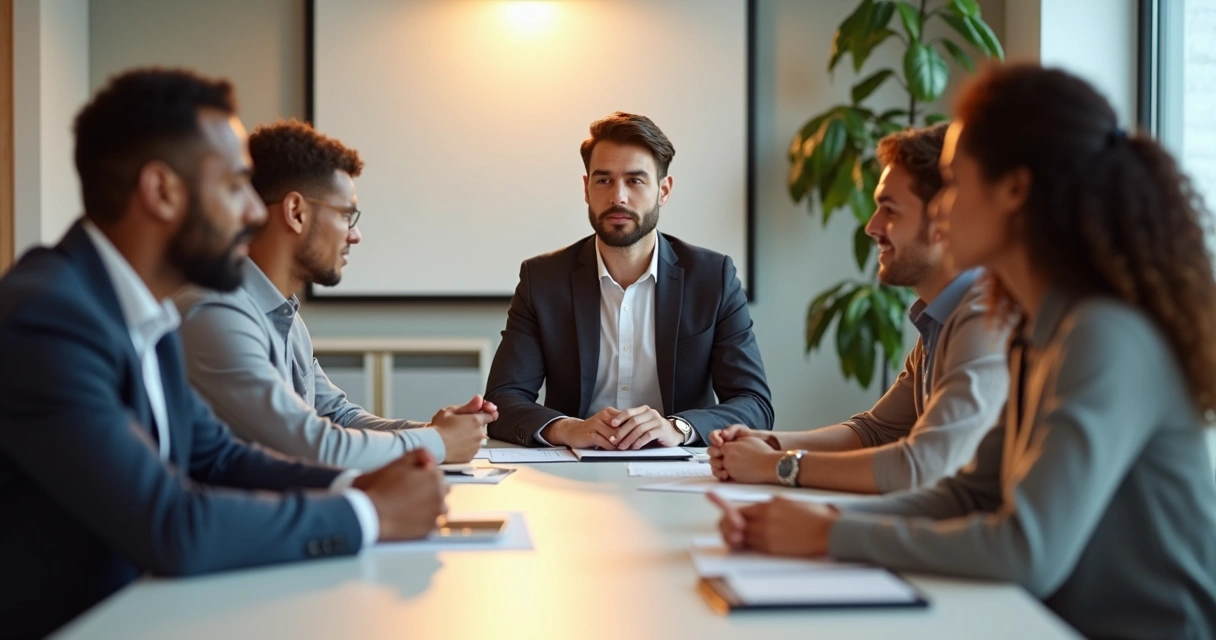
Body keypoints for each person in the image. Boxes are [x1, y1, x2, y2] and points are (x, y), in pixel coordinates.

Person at [711, 64, 1216, 639]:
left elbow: (1027, 548)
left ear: (1015, 190)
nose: (942, 212)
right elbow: (972, 492)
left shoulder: (1104, 335)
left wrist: (828, 535)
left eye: (952, 182)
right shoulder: (1035, 326)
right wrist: (819, 518)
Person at [0, 69, 448, 639]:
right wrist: (371, 515)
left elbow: (218, 457)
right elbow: (172, 522)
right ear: (162, 191)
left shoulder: (145, 312)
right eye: (236, 186)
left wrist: (357, 487)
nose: (255, 213)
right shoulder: (48, 319)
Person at [708, 124, 1012, 494]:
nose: (872, 227)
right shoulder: (942, 317)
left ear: (942, 219)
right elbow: (875, 431)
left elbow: (923, 467)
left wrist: (777, 465)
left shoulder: (984, 317)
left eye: (890, 210)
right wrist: (767, 442)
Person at [175, 120, 494, 469]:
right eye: (346, 215)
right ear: (296, 212)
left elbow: (336, 415)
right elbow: (311, 444)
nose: (355, 236)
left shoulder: (284, 316)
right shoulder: (216, 313)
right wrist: (437, 442)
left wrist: (436, 431)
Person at [485, 112, 773, 449]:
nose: (618, 197)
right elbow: (502, 401)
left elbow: (754, 404)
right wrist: (567, 429)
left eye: (635, 181)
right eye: (603, 180)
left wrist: (678, 427)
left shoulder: (712, 278)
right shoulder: (543, 280)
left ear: (663, 191)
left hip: (678, 471)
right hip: (573, 467)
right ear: (586, 188)